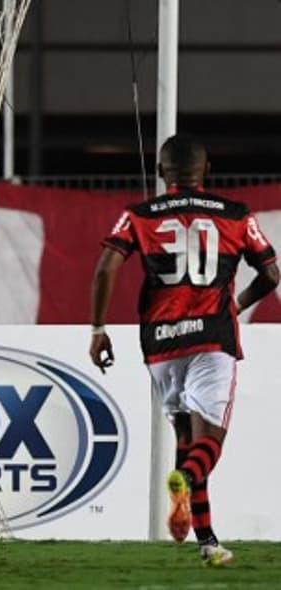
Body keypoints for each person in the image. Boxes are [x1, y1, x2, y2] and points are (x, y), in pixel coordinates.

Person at [89, 134, 279, 566]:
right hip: (212, 335)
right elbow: (271, 272)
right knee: (208, 442)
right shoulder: (235, 215)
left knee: (184, 438)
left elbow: (105, 268)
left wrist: (98, 328)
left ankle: (208, 541)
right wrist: (239, 303)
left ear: (161, 174)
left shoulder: (138, 215)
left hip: (161, 342)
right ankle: (184, 480)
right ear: (207, 171)